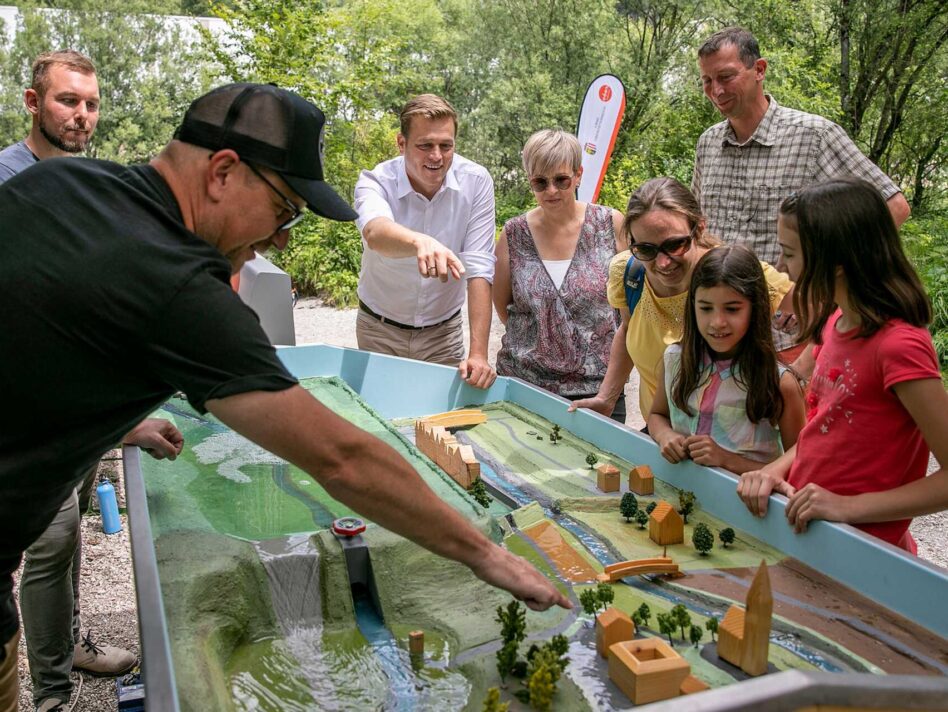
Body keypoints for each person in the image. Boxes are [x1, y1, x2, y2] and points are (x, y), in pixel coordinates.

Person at [0, 82, 570, 710]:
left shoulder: (61, 185)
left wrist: (120, 423)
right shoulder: (178, 288)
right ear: (223, 171)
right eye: (285, 210)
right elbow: (339, 458)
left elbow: (45, 345)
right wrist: (486, 555)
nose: (282, 241)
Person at [0, 50, 183, 712]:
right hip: (26, 420)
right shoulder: (6, 183)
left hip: (80, 414)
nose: (81, 114)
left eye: (91, 103)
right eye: (66, 100)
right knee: (47, 546)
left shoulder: (94, 184)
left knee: (73, 534)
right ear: (31, 102)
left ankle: (71, 640)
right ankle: (51, 696)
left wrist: (121, 419)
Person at [737, 180, 948, 552]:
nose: (782, 267)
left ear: (834, 264)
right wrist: (774, 470)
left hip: (864, 553)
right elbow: (822, 430)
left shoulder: (900, 346)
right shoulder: (837, 321)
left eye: (789, 253)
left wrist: (845, 506)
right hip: (813, 535)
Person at [692, 26, 911, 361]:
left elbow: (891, 208)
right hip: (717, 337)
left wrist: (822, 289)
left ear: (759, 70)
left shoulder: (814, 136)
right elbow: (699, 230)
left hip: (787, 340)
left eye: (726, 76)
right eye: (707, 80)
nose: (716, 90)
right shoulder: (708, 142)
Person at [568, 177, 794, 425]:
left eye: (675, 245)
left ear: (699, 229)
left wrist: (793, 382)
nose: (663, 263)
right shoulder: (628, 273)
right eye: (646, 249)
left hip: (736, 449)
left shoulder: (736, 276)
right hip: (664, 438)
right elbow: (629, 328)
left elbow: (830, 319)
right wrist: (607, 397)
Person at [353, 94, 496, 389]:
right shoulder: (375, 181)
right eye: (425, 145)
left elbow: (480, 266)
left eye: (446, 146)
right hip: (379, 331)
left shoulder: (477, 181)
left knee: (442, 428)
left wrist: (479, 354)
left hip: (443, 336)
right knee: (381, 425)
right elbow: (375, 233)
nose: (436, 156)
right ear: (401, 143)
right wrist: (420, 242)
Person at [493, 130, 625, 420]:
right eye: (540, 182)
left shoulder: (609, 225)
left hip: (598, 391)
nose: (551, 190)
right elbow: (505, 307)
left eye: (561, 180)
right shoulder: (513, 234)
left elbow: (631, 306)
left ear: (578, 175)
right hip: (526, 386)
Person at [648, 245, 805, 473]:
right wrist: (665, 434)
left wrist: (726, 460)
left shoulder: (779, 382)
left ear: (755, 308)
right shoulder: (675, 360)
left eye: (732, 309)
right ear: (693, 306)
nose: (717, 322)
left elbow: (799, 461)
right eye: (706, 308)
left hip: (747, 506)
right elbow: (657, 415)